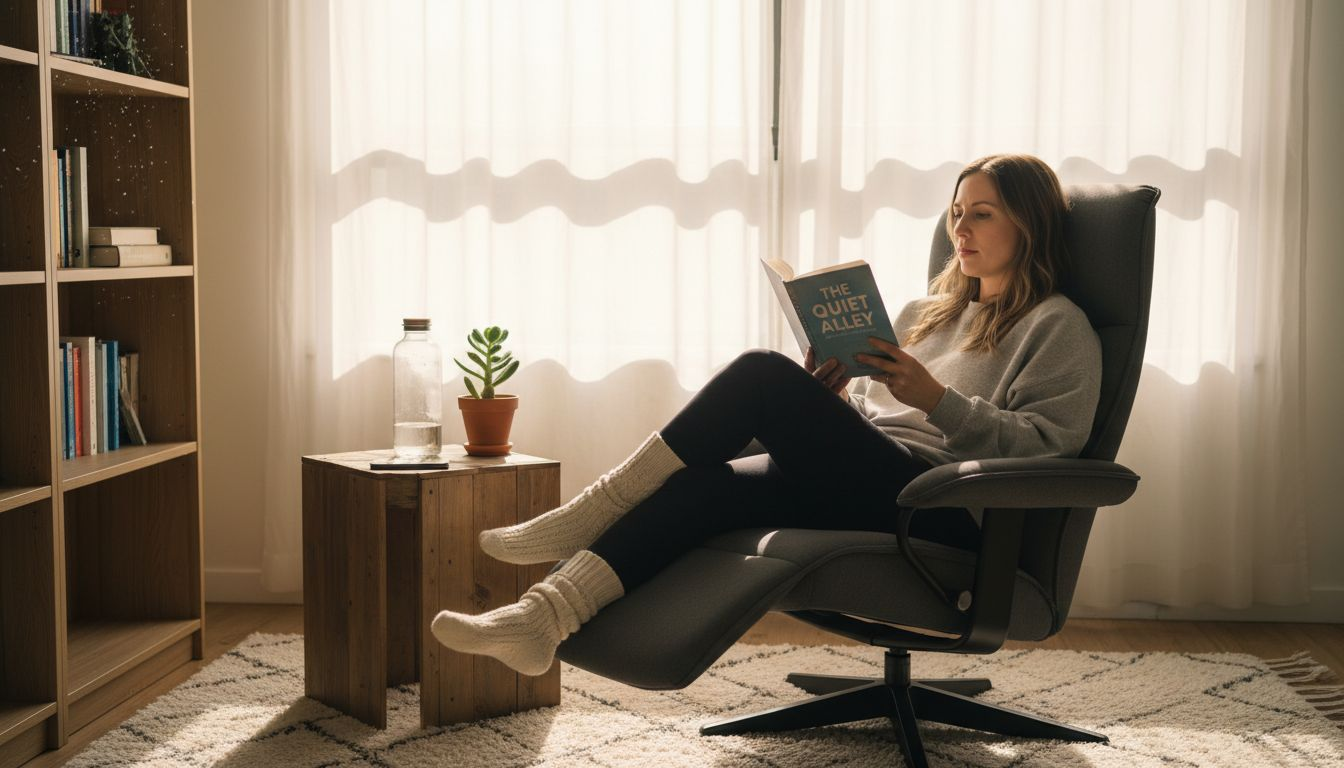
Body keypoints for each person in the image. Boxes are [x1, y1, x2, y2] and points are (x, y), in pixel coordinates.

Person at [430, 153, 1103, 676]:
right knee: (705, 483)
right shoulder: (926, 315)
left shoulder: (1058, 327)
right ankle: (539, 621)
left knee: (759, 375)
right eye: (956, 211)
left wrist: (935, 398)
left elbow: (1049, 448)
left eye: (982, 213)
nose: (960, 227)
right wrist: (835, 403)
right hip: (879, 483)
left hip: (947, 508)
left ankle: (589, 512)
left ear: (1029, 222)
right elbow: (882, 425)